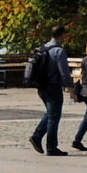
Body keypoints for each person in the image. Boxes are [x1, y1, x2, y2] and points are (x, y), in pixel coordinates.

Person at [29, 25, 71, 156]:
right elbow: (64, 73)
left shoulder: (43, 48)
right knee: (54, 117)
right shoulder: (59, 51)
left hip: (41, 86)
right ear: (61, 35)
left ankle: (37, 136)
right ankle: (51, 147)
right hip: (53, 86)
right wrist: (70, 86)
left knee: (51, 113)